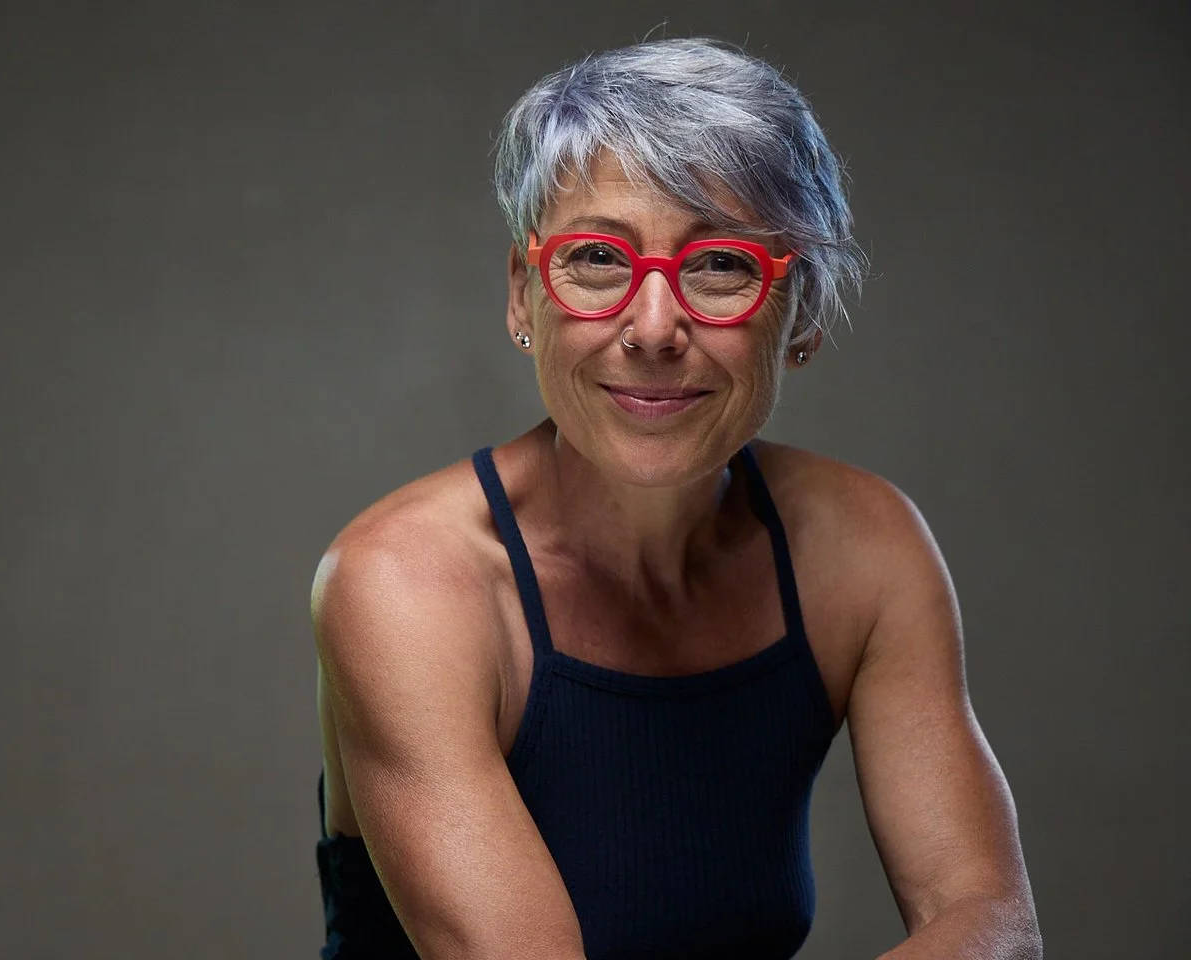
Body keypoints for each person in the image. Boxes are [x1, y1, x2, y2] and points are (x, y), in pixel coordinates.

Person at [311, 37, 1041, 960]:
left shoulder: (860, 546)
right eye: (597, 260)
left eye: (721, 267)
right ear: (523, 294)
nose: (653, 329)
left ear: (804, 312)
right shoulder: (407, 583)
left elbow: (989, 924)